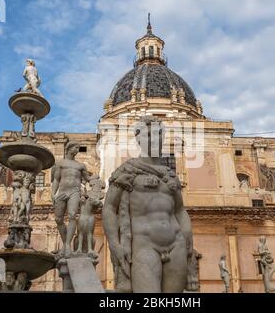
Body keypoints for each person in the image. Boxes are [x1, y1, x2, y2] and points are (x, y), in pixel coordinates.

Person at [102, 116, 194, 292]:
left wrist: (188, 234)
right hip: (144, 245)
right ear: (138, 138)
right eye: (149, 134)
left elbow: (180, 210)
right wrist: (115, 244)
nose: (155, 139)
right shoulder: (126, 171)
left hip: (177, 243)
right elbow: (109, 209)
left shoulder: (170, 174)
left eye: (159, 134)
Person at [52, 141, 91, 258]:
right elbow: (56, 180)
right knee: (58, 219)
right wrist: (53, 194)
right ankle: (65, 244)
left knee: (73, 215)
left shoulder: (80, 166)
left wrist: (95, 179)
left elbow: (87, 178)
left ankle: (68, 245)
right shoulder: (60, 164)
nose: (77, 150)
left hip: (75, 191)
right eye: (76, 147)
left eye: (79, 147)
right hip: (62, 192)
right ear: (69, 148)